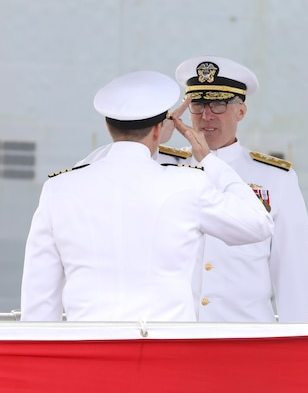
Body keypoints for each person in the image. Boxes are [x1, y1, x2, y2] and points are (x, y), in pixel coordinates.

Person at [20, 70, 274, 322]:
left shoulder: (59, 189)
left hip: (91, 353)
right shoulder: (188, 183)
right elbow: (258, 224)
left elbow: (39, 298)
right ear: (158, 129)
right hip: (165, 355)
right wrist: (208, 160)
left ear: (108, 127)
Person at [165, 55, 308, 322]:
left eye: (218, 105)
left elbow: (291, 269)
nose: (206, 116)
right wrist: (158, 134)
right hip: (176, 334)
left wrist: (293, 338)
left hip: (245, 334)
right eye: (198, 105)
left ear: (241, 112)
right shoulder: (163, 166)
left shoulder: (275, 177)